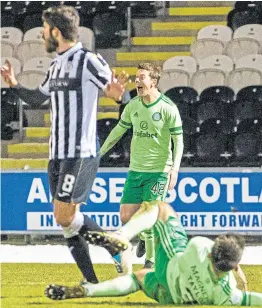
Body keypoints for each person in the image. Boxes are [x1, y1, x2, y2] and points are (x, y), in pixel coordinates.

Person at [1, 5, 129, 283]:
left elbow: (117, 93)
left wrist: (120, 97)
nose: (42, 35)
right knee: (68, 224)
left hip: (80, 152)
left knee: (63, 216)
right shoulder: (56, 65)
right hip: (56, 153)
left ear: (56, 32)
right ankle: (92, 282)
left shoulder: (89, 60)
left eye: (45, 30)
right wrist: (14, 84)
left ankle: (113, 245)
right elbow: (39, 98)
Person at [45, 201, 262, 306]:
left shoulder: (200, 247)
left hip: (171, 266)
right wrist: (234, 273)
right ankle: (89, 291)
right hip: (171, 297)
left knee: (161, 209)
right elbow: (251, 300)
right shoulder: (227, 294)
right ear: (233, 266)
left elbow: (213, 249)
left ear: (211, 254)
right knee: (138, 279)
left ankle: (123, 235)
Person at [99, 63, 184, 269]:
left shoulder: (168, 107)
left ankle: (150, 263)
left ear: (153, 82)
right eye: (136, 78)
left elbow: (178, 140)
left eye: (142, 77)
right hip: (136, 170)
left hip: (159, 171)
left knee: (150, 214)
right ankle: (145, 239)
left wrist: (174, 169)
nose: (137, 81)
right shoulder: (133, 106)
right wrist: (98, 154)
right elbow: (118, 131)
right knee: (126, 216)